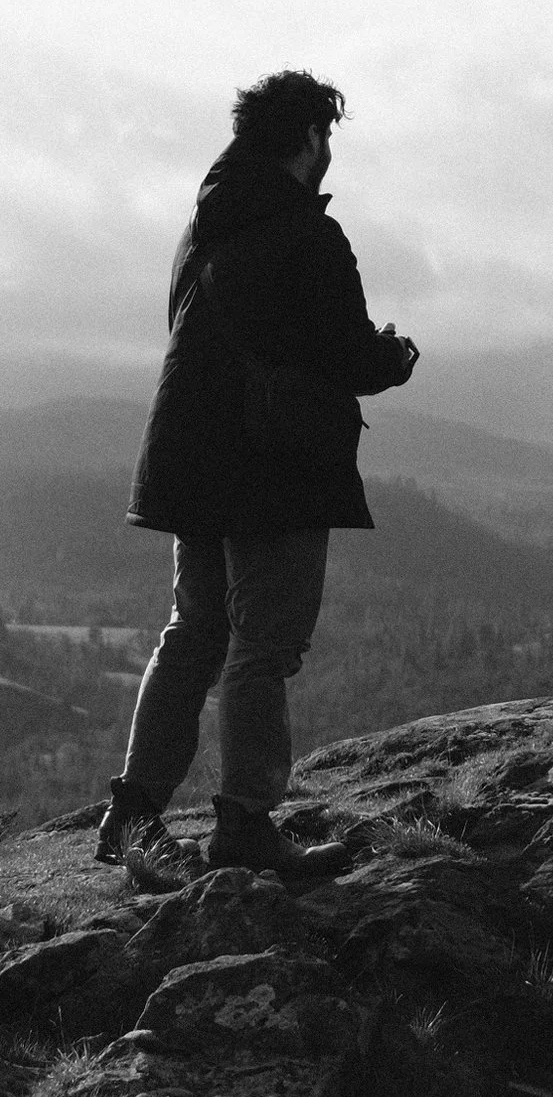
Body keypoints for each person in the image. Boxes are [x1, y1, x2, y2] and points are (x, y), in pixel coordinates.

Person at [99, 71, 420, 884]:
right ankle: (244, 824)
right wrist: (394, 356)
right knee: (264, 644)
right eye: (327, 140)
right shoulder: (307, 234)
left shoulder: (202, 229)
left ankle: (132, 816)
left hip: (187, 451)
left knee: (194, 632)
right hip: (274, 461)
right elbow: (348, 354)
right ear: (310, 139)